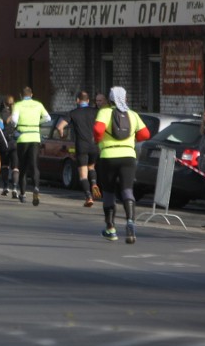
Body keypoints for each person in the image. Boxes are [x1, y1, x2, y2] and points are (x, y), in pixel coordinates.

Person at [93, 86, 150, 244]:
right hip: (128, 156)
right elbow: (146, 134)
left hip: (108, 156)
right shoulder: (132, 114)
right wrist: (132, 140)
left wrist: (98, 140)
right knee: (127, 190)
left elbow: (98, 129)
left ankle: (110, 229)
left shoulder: (105, 112)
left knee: (109, 191)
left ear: (110, 99)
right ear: (125, 98)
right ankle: (130, 222)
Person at [56, 91, 102, 207]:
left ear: (77, 100)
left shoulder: (73, 113)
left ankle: (88, 196)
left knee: (83, 174)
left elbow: (59, 126)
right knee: (91, 167)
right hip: (94, 145)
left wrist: (62, 134)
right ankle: (94, 184)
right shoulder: (96, 112)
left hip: (81, 146)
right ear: (88, 101)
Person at [9, 86, 50, 206]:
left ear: (22, 96)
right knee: (35, 166)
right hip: (35, 137)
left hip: (23, 138)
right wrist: (37, 122)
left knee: (23, 167)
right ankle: (36, 187)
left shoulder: (18, 105)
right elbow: (48, 118)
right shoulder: (38, 104)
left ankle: (22, 194)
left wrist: (15, 126)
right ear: (31, 94)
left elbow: (14, 121)